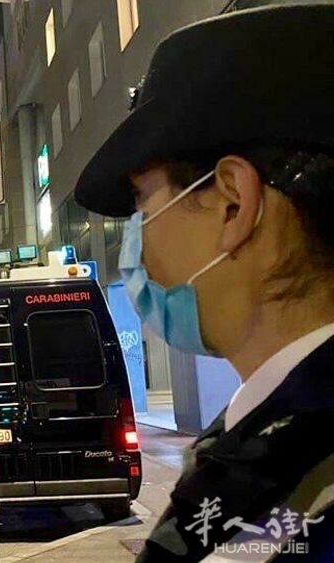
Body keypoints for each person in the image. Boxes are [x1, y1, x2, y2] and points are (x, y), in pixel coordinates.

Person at [71, 5, 334, 560]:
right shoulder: (266, 436)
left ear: (233, 204)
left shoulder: (300, 474)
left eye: (142, 201)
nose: (137, 240)